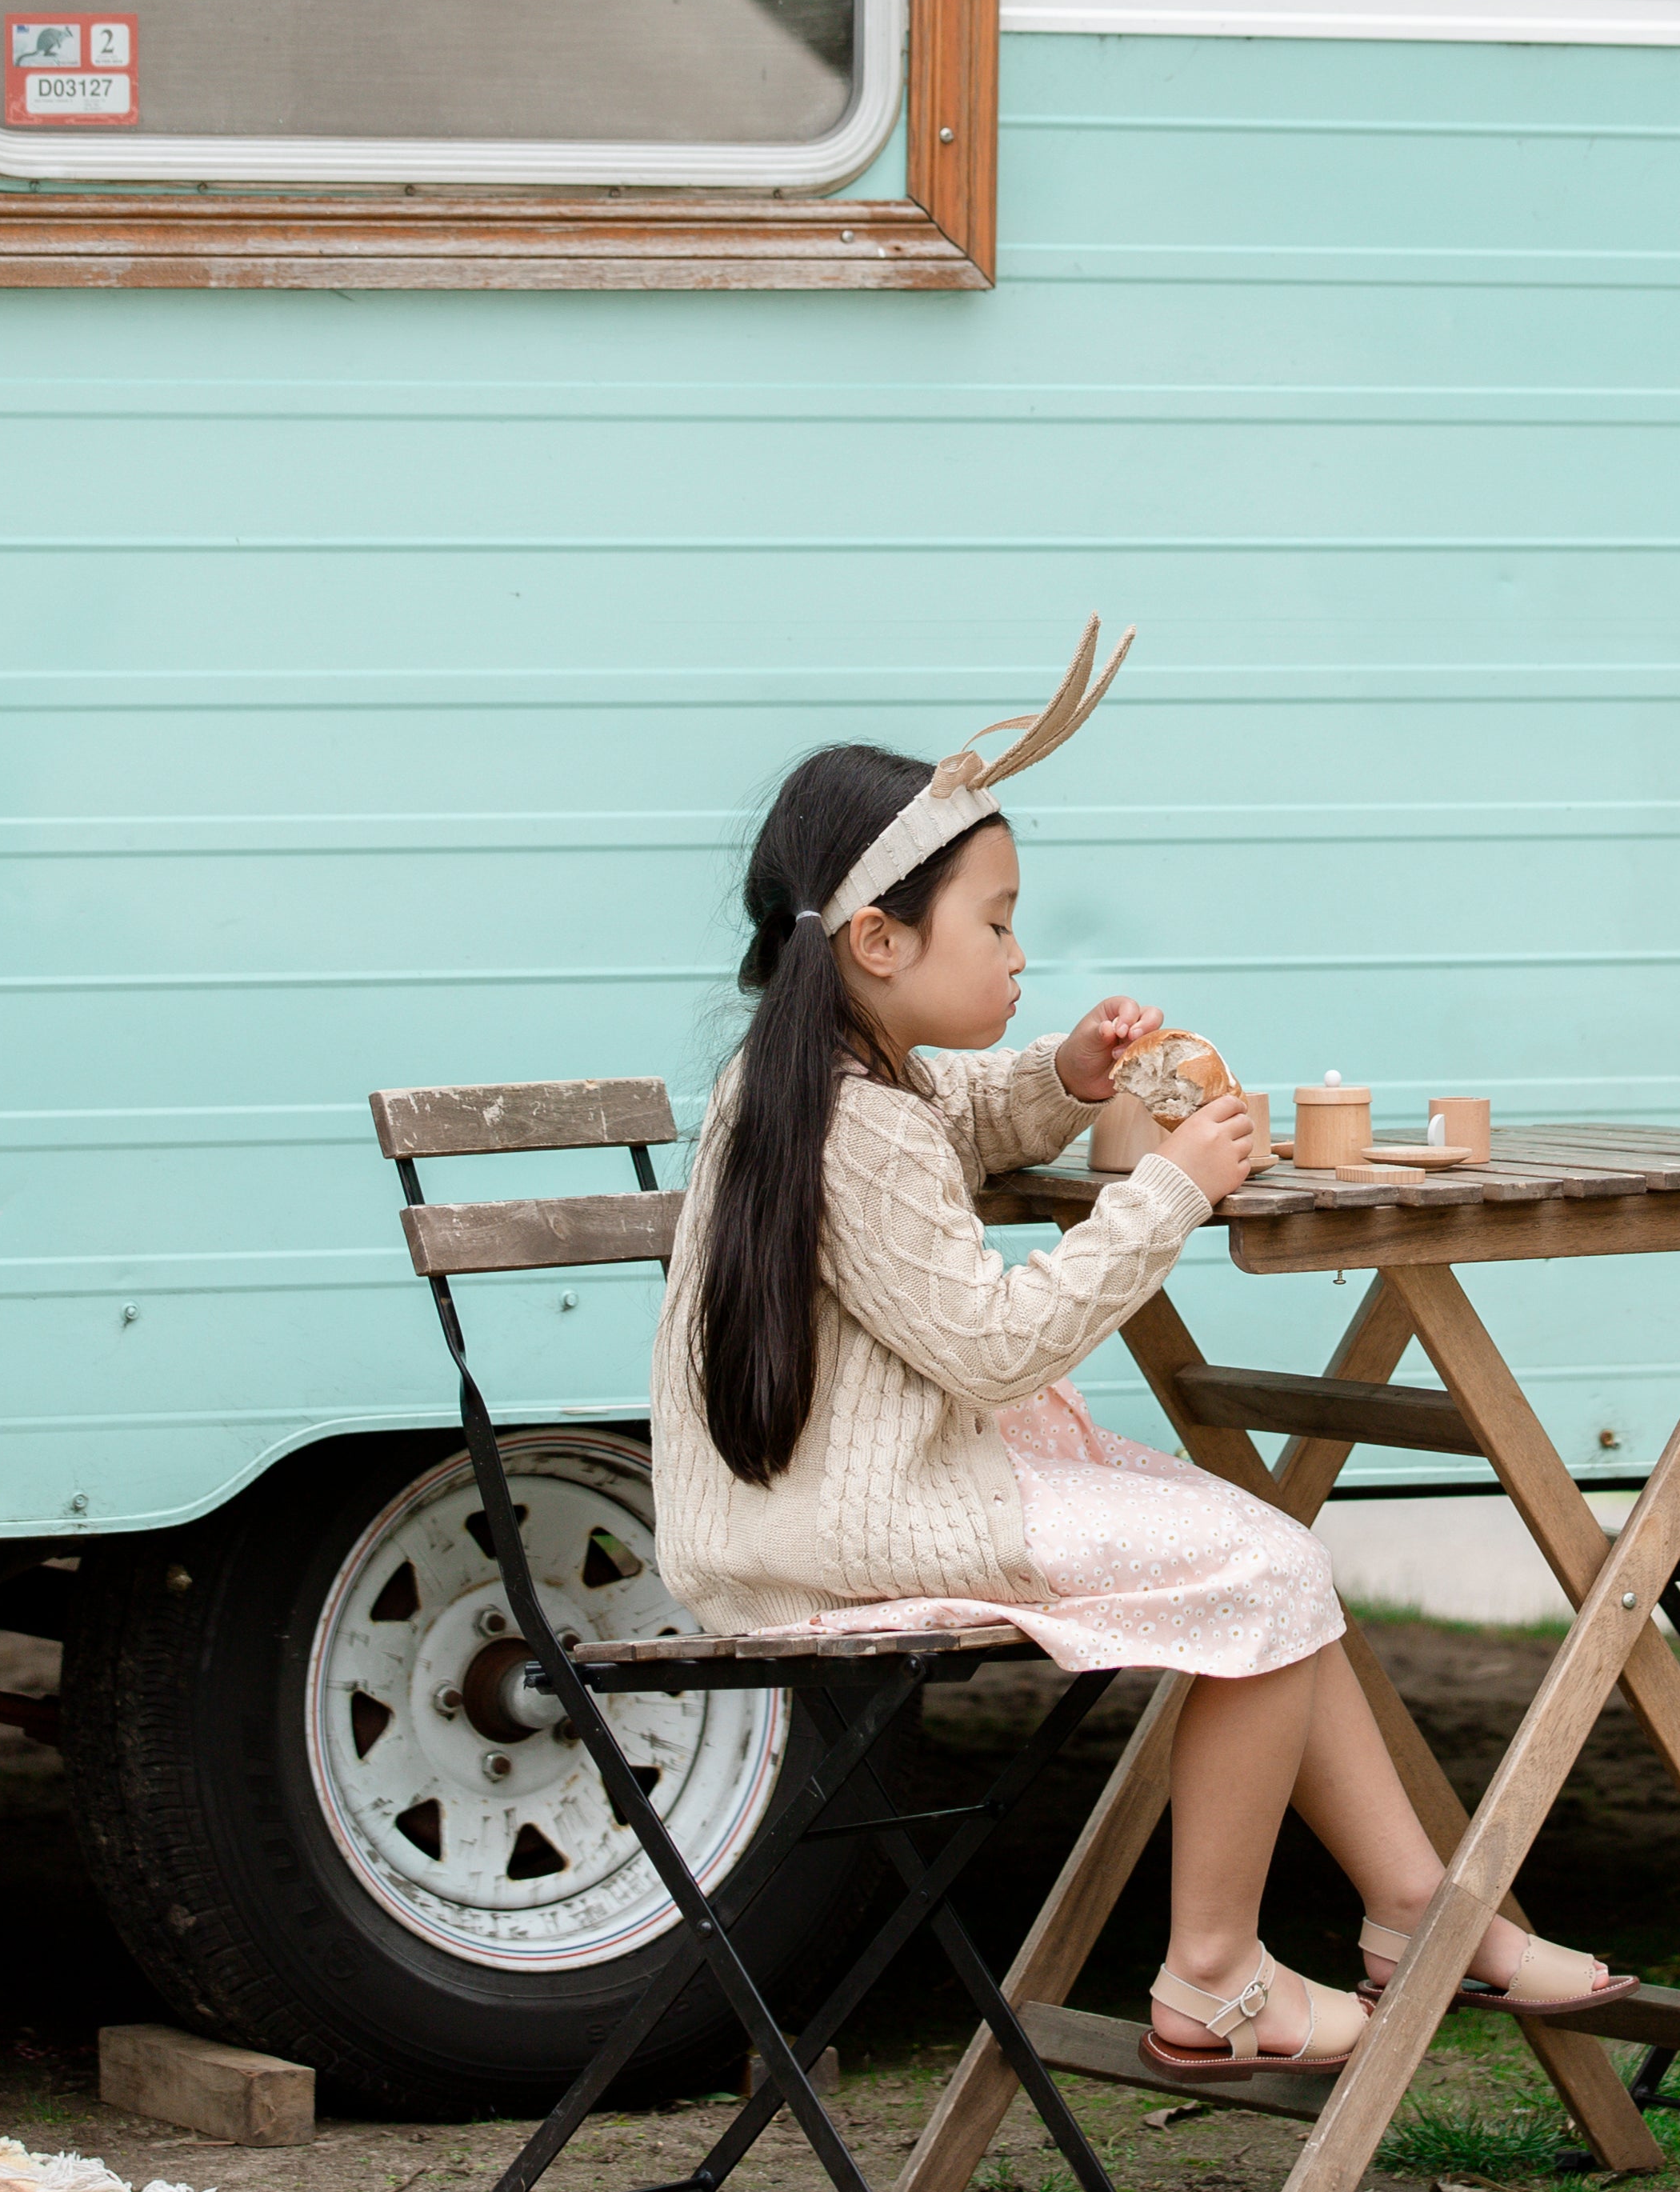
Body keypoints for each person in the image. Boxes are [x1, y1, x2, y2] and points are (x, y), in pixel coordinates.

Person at [651, 679, 1611, 2085]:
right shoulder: (856, 1121)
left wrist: (1069, 1071)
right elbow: (993, 1343)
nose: (1019, 952)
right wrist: (1165, 1192)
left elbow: (964, 1114)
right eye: (996, 923)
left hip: (844, 1499)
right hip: (847, 1528)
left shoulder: (834, 1080)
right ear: (878, 940)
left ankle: (1419, 1910)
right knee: (1265, 1564)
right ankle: (1211, 1975)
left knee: (1268, 1560)